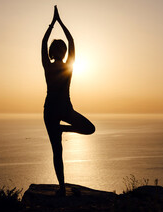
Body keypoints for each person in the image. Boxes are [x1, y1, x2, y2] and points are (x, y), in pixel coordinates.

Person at [42, 6, 95, 196]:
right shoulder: (69, 66)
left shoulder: (49, 66)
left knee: (57, 151)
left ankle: (62, 188)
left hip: (52, 110)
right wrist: (59, 22)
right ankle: (62, 188)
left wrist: (52, 24)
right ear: (62, 52)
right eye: (61, 48)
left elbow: (44, 41)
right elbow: (71, 40)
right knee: (87, 130)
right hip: (62, 109)